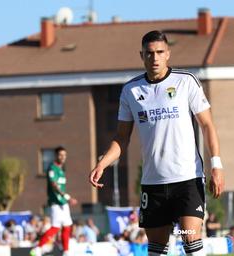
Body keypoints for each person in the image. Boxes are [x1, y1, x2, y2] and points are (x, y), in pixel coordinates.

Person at [89, 30, 224, 256]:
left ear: (168, 54)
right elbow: (122, 137)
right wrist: (103, 163)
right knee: (157, 248)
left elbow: (208, 125)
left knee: (190, 239)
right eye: (149, 53)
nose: (155, 58)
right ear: (141, 55)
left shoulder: (185, 82)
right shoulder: (130, 91)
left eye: (160, 52)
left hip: (187, 178)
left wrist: (216, 165)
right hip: (153, 183)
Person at [30, 146, 77, 256]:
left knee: (67, 226)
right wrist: (67, 197)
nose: (63, 157)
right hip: (56, 203)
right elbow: (54, 185)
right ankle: (38, 248)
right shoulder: (52, 168)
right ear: (56, 156)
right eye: (60, 155)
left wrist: (66, 199)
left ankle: (66, 251)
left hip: (63, 204)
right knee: (55, 227)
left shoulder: (61, 169)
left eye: (64, 155)